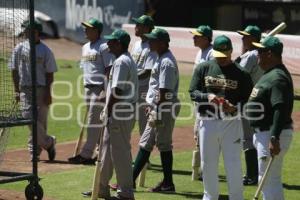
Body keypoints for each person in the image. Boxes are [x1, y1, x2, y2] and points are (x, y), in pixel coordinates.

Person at [189, 35, 253, 200]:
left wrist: (235, 108)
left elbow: (249, 101)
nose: (222, 59)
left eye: (225, 55)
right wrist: (207, 97)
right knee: (208, 164)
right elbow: (193, 92)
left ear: (231, 51)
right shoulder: (204, 68)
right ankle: (209, 197)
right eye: (219, 55)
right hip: (207, 121)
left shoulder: (242, 74)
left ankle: (237, 197)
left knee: (233, 164)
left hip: (231, 123)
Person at [83, 29, 138, 200]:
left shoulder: (122, 62)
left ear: (119, 44)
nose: (108, 44)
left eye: (112, 42)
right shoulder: (121, 60)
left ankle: (126, 193)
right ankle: (101, 187)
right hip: (118, 112)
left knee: (120, 152)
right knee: (106, 150)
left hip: (119, 112)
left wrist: (108, 110)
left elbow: (117, 91)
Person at [132, 28, 180, 192]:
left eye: (153, 40)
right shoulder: (161, 58)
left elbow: (164, 91)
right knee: (146, 143)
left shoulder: (166, 62)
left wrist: (156, 110)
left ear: (162, 43)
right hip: (160, 107)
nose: (149, 42)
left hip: (164, 107)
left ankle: (168, 183)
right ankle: (131, 180)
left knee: (162, 144)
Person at [247, 36, 293, 200]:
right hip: (265, 133)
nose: (257, 54)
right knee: (268, 181)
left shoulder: (277, 77)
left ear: (270, 54)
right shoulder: (272, 74)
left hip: (270, 134)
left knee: (269, 181)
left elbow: (280, 108)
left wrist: (274, 137)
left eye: (260, 51)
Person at [68, 18, 114, 165]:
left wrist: (104, 90)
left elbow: (109, 69)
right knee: (98, 121)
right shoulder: (85, 47)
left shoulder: (104, 46)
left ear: (97, 31)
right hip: (88, 88)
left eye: (88, 28)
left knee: (93, 122)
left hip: (99, 88)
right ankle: (101, 152)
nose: (85, 30)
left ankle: (86, 154)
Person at [10, 20, 57, 161]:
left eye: (29, 30)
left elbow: (50, 73)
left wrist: (48, 92)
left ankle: (34, 152)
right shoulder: (19, 48)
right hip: (25, 89)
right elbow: (14, 70)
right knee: (28, 118)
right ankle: (49, 143)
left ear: (37, 32)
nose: (26, 33)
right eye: (25, 30)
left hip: (42, 89)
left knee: (40, 122)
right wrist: (16, 90)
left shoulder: (46, 50)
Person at [236, 25, 264, 185]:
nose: (242, 39)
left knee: (248, 138)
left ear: (253, 39)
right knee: (254, 137)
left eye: (246, 36)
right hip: (257, 101)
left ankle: (252, 175)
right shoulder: (258, 54)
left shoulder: (250, 56)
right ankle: (254, 174)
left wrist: (238, 61)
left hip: (247, 101)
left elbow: (239, 76)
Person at [190, 25, 214, 180]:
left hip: (208, 102)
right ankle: (199, 170)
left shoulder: (211, 53)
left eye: (197, 36)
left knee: (204, 137)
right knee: (197, 136)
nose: (194, 38)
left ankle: (205, 171)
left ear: (206, 38)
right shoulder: (200, 52)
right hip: (198, 100)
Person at [131, 14, 157, 137]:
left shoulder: (151, 46)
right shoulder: (136, 44)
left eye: (139, 25)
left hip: (144, 91)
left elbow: (147, 71)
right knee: (127, 121)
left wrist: (129, 79)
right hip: (132, 88)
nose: (135, 27)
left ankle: (144, 155)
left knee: (143, 123)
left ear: (147, 29)